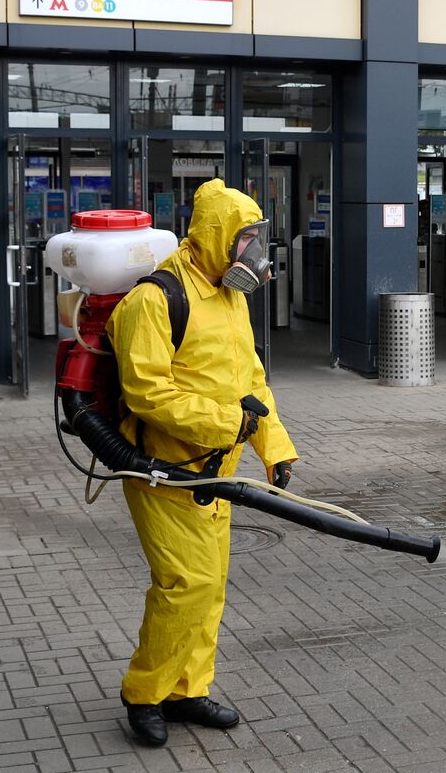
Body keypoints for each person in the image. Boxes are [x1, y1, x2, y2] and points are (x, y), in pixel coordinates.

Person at [106, 179, 297, 746]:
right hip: (163, 471)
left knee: (209, 587)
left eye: (257, 240)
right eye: (245, 241)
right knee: (184, 584)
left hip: (215, 470)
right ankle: (144, 693)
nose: (253, 254)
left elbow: (252, 381)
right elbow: (147, 392)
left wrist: (274, 446)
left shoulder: (231, 297)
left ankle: (187, 689)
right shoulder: (155, 298)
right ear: (215, 238)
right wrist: (226, 425)